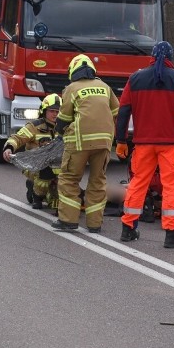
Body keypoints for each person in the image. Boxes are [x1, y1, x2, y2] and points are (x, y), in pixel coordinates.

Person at [115, 41, 174, 248]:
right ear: (171, 57)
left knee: (137, 184)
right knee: (172, 187)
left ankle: (128, 229)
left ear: (151, 56)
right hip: (170, 144)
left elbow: (123, 111)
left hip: (143, 144)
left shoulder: (135, 78)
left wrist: (121, 140)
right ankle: (172, 234)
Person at [52, 54, 119, 233]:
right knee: (97, 182)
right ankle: (95, 224)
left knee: (69, 179)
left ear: (73, 71)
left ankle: (68, 221)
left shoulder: (72, 88)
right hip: (104, 141)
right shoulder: (105, 87)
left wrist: (58, 134)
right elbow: (115, 110)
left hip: (79, 142)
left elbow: (64, 119)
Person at [2, 93, 62, 210]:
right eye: (52, 111)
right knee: (45, 175)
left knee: (62, 193)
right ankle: (37, 195)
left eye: (57, 111)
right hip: (35, 166)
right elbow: (17, 138)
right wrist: (9, 148)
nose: (55, 114)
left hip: (59, 166)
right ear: (44, 111)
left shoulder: (64, 128)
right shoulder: (34, 127)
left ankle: (47, 192)